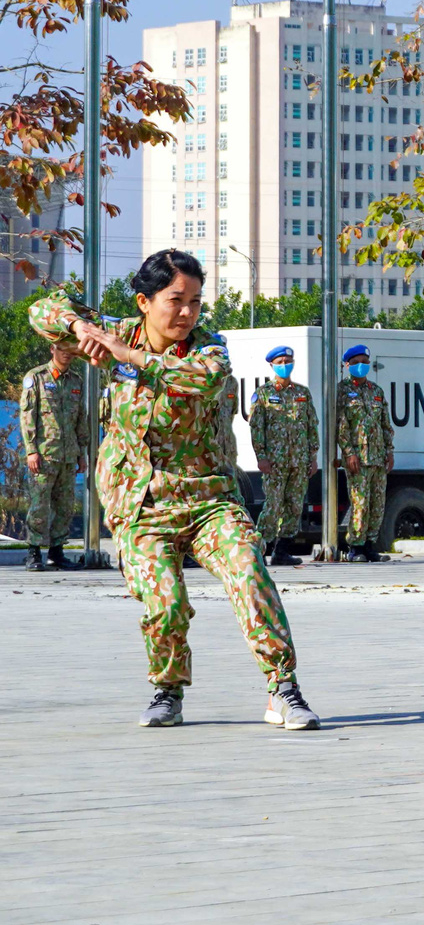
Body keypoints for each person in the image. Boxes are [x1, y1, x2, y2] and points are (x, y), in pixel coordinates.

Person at [29, 250, 318, 730]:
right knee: (165, 600)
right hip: (142, 504)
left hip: (210, 502)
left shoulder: (207, 348)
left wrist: (130, 358)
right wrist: (80, 330)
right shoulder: (114, 332)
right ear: (144, 301)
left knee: (250, 571)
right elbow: (43, 310)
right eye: (175, 300)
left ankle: (283, 689)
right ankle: (167, 691)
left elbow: (204, 380)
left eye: (196, 302)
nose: (187, 313)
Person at [20, 341, 86, 572]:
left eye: (70, 350)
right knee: (39, 505)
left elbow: (80, 419)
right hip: (44, 455)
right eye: (61, 349)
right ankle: (33, 552)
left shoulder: (76, 381)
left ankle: (56, 553)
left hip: (68, 456)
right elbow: (27, 416)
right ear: (51, 349)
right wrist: (31, 450)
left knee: (66, 506)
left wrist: (81, 454)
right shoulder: (36, 377)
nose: (66, 354)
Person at [249, 345, 318, 566]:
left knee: (295, 506)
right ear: (271, 365)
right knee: (273, 506)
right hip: (275, 462)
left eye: (288, 361)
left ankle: (282, 551)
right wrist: (261, 456)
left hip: (299, 461)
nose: (284, 365)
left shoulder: (302, 393)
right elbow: (257, 428)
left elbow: (311, 426)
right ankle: (259, 550)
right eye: (279, 362)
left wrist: (313, 456)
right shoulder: (264, 394)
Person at [334, 344, 393, 562]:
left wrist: (390, 451)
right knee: (360, 503)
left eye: (365, 362)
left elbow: (385, 424)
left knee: (377, 504)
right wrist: (349, 453)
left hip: (377, 458)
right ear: (347, 365)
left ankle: (370, 545)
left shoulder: (376, 391)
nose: (362, 366)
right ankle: (355, 547)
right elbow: (341, 425)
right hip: (358, 459)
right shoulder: (343, 391)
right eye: (357, 362)